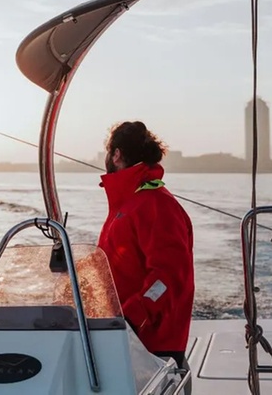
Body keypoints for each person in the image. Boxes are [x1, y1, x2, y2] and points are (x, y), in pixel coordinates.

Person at [97, 120, 195, 384]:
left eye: (108, 152)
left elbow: (168, 277)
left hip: (152, 347)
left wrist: (132, 317)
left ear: (116, 154)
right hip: (125, 337)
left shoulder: (156, 205)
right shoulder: (128, 203)